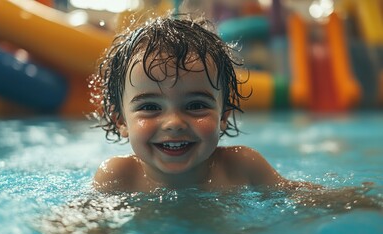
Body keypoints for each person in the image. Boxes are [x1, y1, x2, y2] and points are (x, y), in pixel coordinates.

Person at [89, 14, 314, 192]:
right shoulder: (119, 177)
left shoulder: (241, 167)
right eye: (150, 107)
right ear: (121, 120)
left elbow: (299, 198)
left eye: (196, 105)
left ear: (223, 116)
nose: (174, 123)